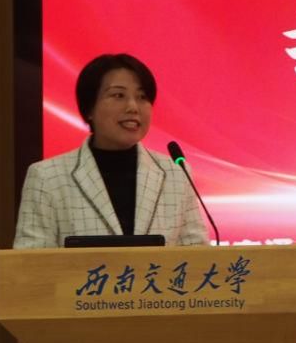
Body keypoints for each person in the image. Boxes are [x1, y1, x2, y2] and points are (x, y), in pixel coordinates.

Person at [13, 53, 210, 248]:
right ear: (89, 108)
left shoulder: (175, 174)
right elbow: (29, 261)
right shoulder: (47, 177)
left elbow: (197, 254)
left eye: (142, 97)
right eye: (118, 95)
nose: (133, 107)